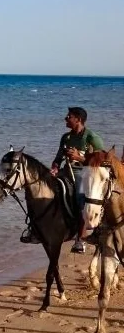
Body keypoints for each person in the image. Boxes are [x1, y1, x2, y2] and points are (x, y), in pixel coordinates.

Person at [45, 106, 103, 253]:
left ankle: (81, 238)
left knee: (80, 198)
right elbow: (58, 158)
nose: (66, 119)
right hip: (66, 171)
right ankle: (37, 229)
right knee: (42, 189)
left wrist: (79, 158)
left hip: (84, 173)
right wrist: (55, 167)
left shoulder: (92, 138)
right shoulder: (66, 137)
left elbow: (100, 163)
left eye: (69, 117)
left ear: (78, 120)